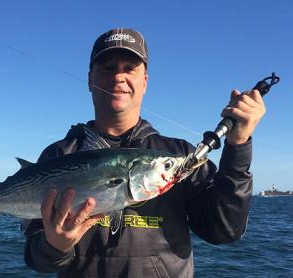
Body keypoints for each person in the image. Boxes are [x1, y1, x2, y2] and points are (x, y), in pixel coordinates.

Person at [24, 28, 265, 277]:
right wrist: (55, 246)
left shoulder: (178, 155)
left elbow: (224, 230)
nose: (118, 76)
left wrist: (238, 145)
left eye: (130, 68)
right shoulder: (59, 155)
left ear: (145, 82)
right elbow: (37, 259)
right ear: (90, 80)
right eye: (107, 67)